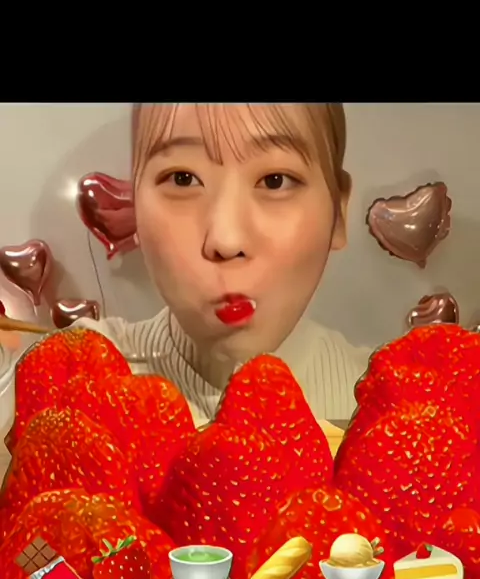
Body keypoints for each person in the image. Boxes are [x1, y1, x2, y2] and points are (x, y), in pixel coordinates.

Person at [0, 103, 372, 469]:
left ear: (338, 212)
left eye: (275, 180)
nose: (226, 239)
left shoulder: (383, 399)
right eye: (183, 179)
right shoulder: (75, 376)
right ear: (136, 208)